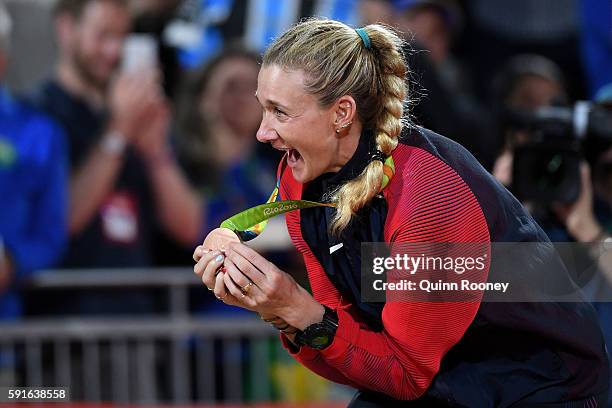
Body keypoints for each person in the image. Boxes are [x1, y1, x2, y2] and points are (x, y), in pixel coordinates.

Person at [193, 19, 608, 406]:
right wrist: (278, 307)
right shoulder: (301, 178)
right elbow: (352, 348)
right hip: (448, 378)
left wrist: (293, 307)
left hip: (543, 388)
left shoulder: (427, 197)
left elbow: (405, 375)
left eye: (280, 112)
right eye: (263, 108)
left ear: (341, 113)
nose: (263, 132)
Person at [30, 0, 201, 314]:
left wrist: (156, 150)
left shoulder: (137, 114)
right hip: (63, 326)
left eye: (123, 37)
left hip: (140, 321)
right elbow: (57, 220)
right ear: (66, 28)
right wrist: (118, 133)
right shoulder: (37, 117)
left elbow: (190, 228)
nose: (114, 51)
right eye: (103, 36)